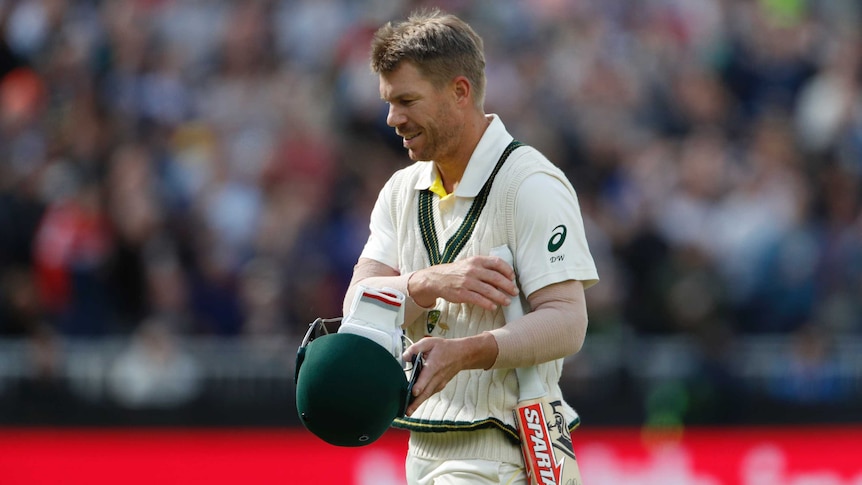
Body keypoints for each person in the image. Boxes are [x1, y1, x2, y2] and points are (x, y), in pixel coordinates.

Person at [342, 9, 599, 484]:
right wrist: (427, 282)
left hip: (505, 450)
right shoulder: (401, 190)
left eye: (406, 100)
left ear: (459, 92)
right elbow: (357, 306)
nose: (392, 118)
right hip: (421, 449)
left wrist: (467, 351)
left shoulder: (531, 184)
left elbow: (568, 321)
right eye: (388, 102)